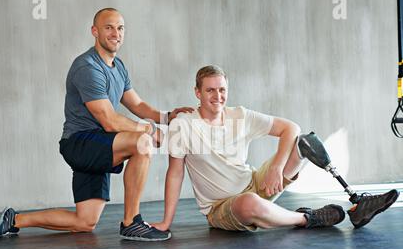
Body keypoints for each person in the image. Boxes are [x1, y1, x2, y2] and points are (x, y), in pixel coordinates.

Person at [0, 8, 193, 241]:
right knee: (142, 143)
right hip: (80, 142)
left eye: (120, 28)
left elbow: (137, 104)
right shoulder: (87, 67)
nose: (116, 33)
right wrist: (150, 130)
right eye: (109, 27)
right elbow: (109, 120)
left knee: (84, 222)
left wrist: (167, 117)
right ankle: (131, 222)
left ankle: (14, 220)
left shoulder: (119, 66)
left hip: (99, 143)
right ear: (95, 31)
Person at [152, 65, 400, 234]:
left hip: (256, 183)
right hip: (222, 208)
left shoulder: (239, 115)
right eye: (210, 90)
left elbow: (290, 128)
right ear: (197, 92)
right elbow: (175, 173)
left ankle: (355, 202)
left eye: (222, 89)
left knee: (303, 141)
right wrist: (166, 222)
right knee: (249, 202)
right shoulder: (183, 125)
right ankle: (307, 218)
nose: (218, 96)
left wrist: (276, 168)